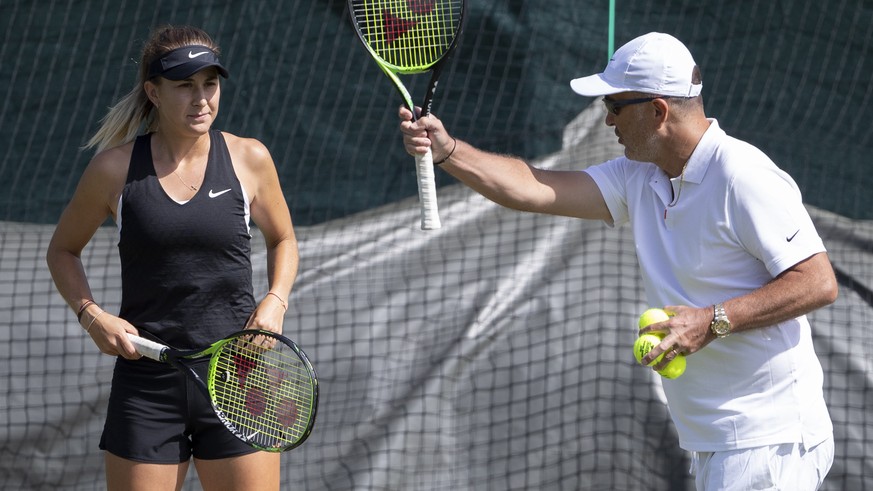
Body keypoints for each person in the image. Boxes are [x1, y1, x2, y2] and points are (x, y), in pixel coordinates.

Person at [398, 32, 837, 490]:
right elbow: (530, 189)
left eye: (614, 106)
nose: (607, 120)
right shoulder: (639, 175)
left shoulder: (743, 176)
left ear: (657, 111)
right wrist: (449, 150)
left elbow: (817, 282)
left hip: (770, 439)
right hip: (720, 440)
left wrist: (711, 321)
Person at [46, 25, 298, 491]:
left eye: (210, 83)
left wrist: (276, 300)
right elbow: (62, 250)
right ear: (153, 92)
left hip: (239, 378)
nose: (201, 98)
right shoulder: (113, 169)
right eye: (185, 85)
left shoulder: (250, 158)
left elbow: (283, 239)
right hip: (147, 386)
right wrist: (91, 315)